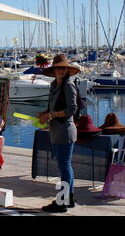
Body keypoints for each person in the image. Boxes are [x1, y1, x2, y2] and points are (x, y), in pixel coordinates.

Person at [37, 54, 80, 213]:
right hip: (56, 130)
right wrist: (44, 113)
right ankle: (69, 199)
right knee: (66, 166)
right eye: (58, 68)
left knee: (64, 167)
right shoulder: (55, 85)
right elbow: (53, 107)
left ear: (67, 70)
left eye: (63, 68)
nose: (60, 70)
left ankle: (62, 202)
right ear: (54, 70)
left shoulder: (68, 85)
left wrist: (50, 115)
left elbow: (71, 110)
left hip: (65, 131)